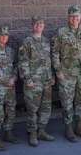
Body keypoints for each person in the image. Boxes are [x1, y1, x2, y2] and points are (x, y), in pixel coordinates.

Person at [51, 5, 81, 142]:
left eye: (77, 16)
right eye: (72, 16)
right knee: (67, 102)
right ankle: (69, 128)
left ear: (80, 17)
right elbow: (54, 52)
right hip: (66, 74)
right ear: (68, 18)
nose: (75, 18)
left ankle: (79, 126)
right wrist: (58, 71)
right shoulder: (61, 32)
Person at [19, 16, 55, 147]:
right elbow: (23, 62)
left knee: (45, 107)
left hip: (46, 81)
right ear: (32, 25)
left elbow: (49, 60)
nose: (39, 25)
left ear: (44, 25)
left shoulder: (46, 41)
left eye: (41, 23)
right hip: (33, 82)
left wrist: (51, 76)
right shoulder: (27, 42)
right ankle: (33, 133)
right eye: (36, 23)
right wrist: (27, 79)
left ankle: (41, 130)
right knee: (32, 109)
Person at [0, 26, 20, 151]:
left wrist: (14, 78)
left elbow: (16, 66)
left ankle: (8, 134)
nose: (4, 37)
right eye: (1, 35)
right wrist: (6, 81)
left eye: (6, 35)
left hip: (10, 87)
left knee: (10, 111)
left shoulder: (11, 51)